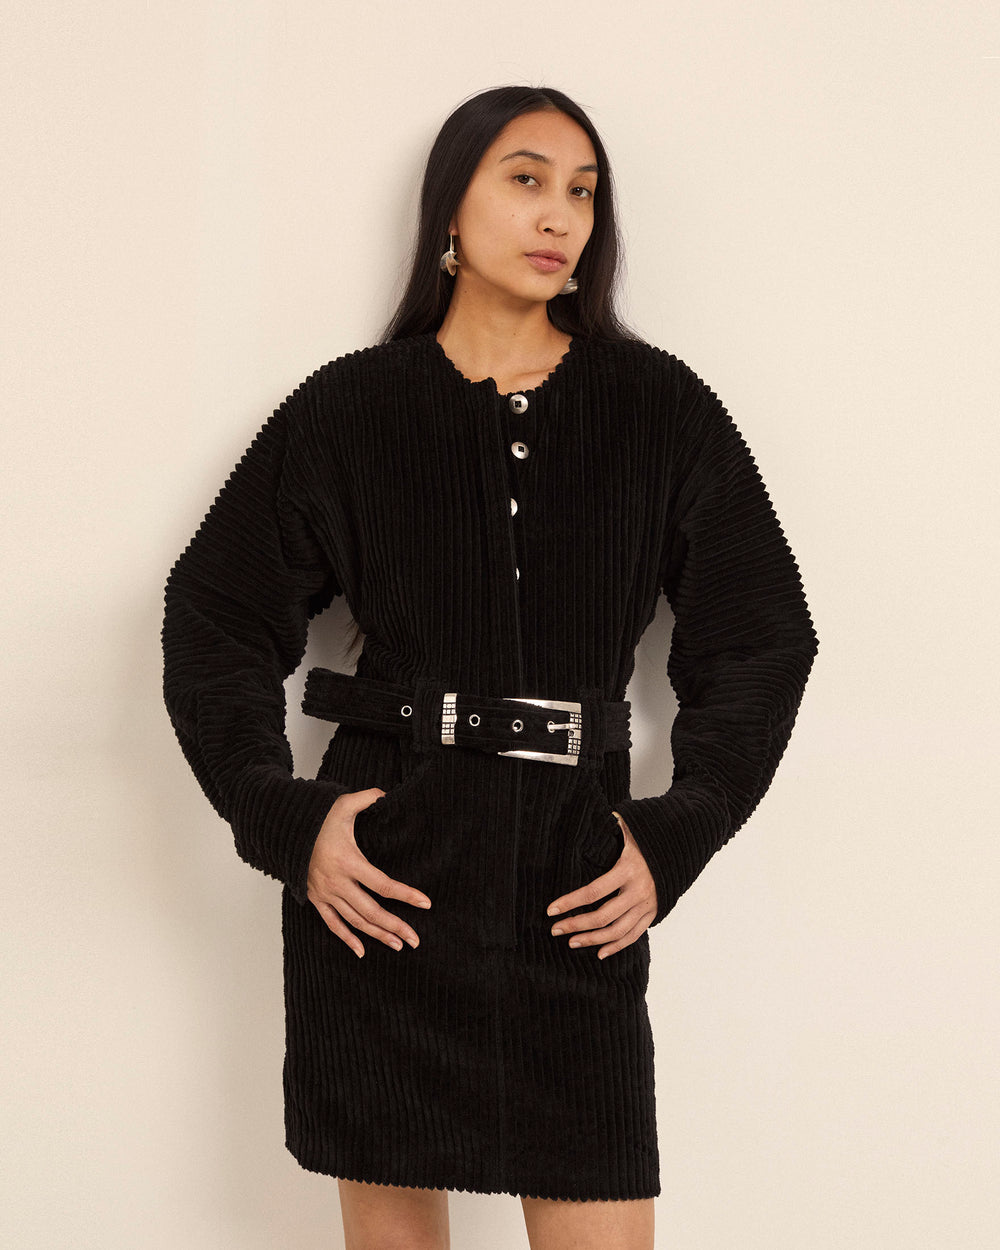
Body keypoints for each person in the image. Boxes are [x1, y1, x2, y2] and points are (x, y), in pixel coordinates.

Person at [162, 86, 818, 1250]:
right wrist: (282, 816)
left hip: (575, 880)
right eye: (525, 178)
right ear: (449, 214)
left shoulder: (659, 407)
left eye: (581, 191)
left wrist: (679, 829)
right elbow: (215, 614)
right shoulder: (350, 407)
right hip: (386, 876)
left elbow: (761, 635)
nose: (559, 213)